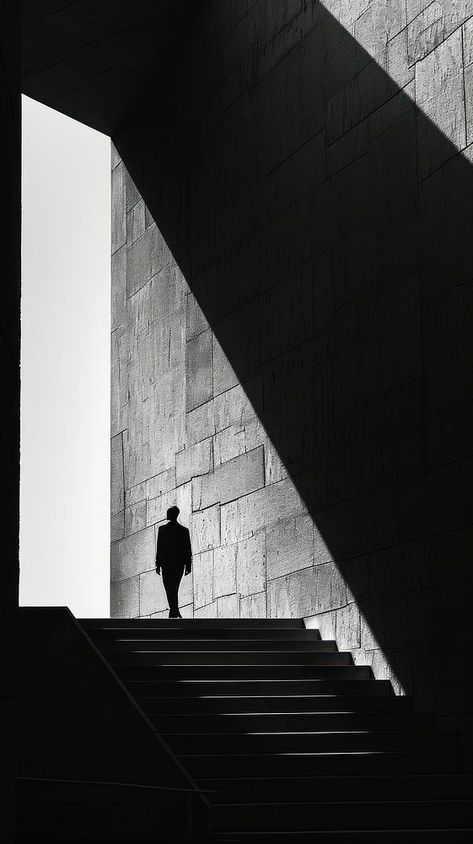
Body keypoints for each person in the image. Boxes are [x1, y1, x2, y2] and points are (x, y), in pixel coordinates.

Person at [155, 506, 192, 618]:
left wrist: (158, 564)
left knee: (169, 588)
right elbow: (187, 550)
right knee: (174, 587)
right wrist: (188, 565)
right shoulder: (184, 530)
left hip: (167, 564)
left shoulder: (162, 530)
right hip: (178, 565)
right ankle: (174, 611)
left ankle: (174, 611)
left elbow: (159, 548)